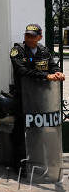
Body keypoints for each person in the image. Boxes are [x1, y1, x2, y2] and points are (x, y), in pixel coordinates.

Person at [10, 23, 65, 174]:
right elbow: (22, 70)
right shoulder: (17, 50)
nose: (29, 38)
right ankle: (19, 163)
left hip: (42, 98)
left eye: (32, 36)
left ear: (39, 37)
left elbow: (52, 66)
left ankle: (38, 160)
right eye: (27, 35)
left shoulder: (44, 50)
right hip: (23, 97)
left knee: (40, 130)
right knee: (21, 130)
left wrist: (57, 73)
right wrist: (46, 76)